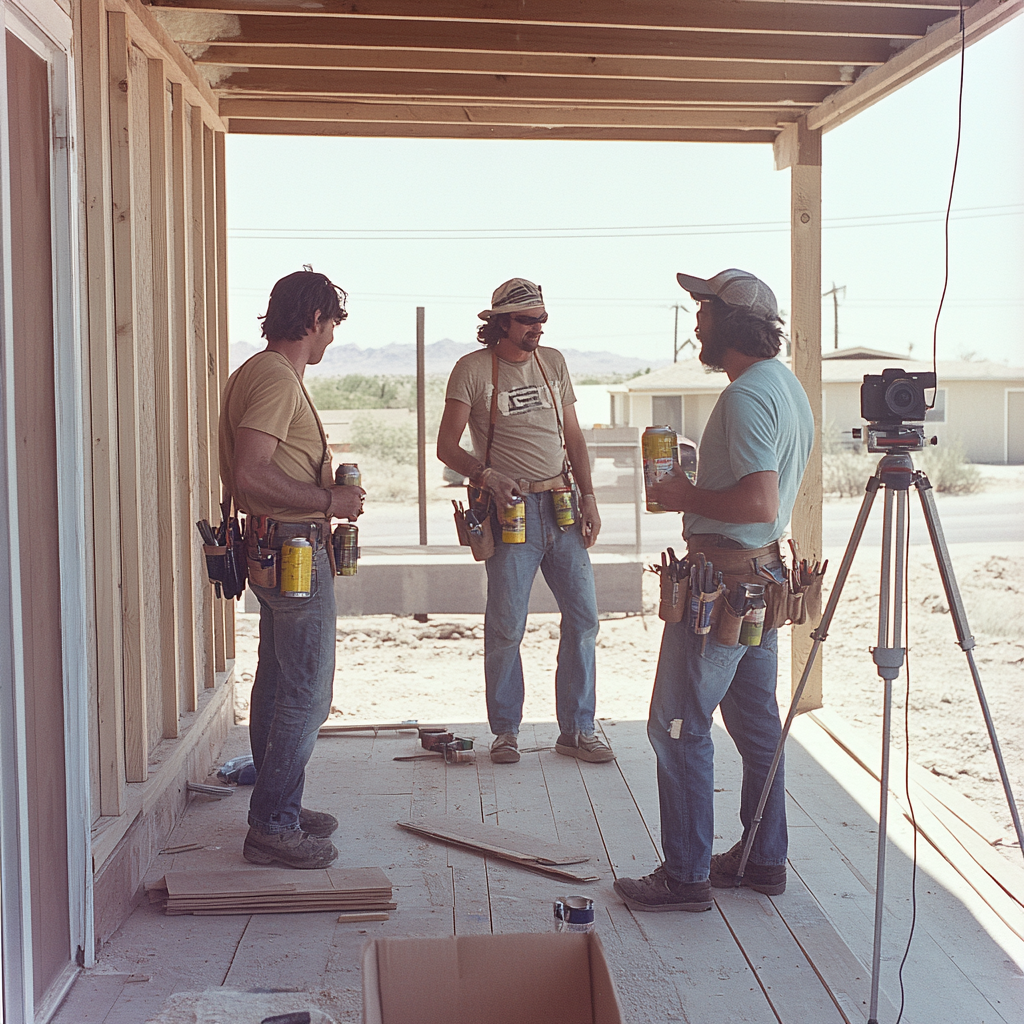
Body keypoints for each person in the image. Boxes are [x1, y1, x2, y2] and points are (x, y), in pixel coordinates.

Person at [614, 268, 813, 912]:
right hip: (761, 578)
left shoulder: (745, 396)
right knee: (758, 728)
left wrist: (683, 495)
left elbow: (758, 501)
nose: (695, 323)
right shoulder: (784, 386)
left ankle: (686, 876)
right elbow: (765, 498)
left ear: (731, 323)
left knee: (677, 724)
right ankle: (763, 859)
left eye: (703, 311)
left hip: (724, 582)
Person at [436, 278, 614, 766]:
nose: (537, 327)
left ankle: (577, 729)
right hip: (510, 514)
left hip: (562, 506)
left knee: (583, 620)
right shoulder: (472, 371)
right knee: (507, 625)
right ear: (500, 323)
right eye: (527, 320)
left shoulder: (552, 362)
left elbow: (573, 437)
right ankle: (506, 731)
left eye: (542, 319)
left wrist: (591, 497)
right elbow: (447, 447)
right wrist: (486, 475)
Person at [219, 269, 364, 869]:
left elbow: (259, 471)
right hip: (294, 549)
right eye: (331, 325)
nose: (331, 338)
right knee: (307, 691)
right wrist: (329, 501)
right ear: (313, 320)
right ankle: (273, 823)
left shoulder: (259, 372)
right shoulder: (277, 379)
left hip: (275, 548)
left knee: (278, 684)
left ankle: (282, 804)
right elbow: (251, 473)